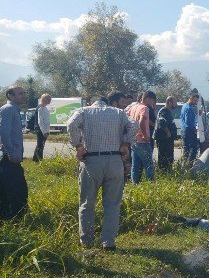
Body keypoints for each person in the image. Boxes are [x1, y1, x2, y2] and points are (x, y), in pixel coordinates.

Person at [66, 94, 135, 249]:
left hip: (91, 160)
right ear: (106, 102)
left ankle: (87, 241)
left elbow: (71, 124)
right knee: (112, 204)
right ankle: (108, 242)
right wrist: (125, 144)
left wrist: (78, 146)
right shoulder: (118, 112)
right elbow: (134, 125)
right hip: (115, 160)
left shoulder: (84, 111)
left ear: (92, 102)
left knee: (87, 203)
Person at [0, 86, 29, 220]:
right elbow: (4, 133)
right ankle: (16, 219)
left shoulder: (14, 110)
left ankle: (11, 218)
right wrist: (10, 152)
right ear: (10, 96)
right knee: (17, 191)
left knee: (10, 191)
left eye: (24, 93)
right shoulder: (9, 109)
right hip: (8, 158)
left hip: (11, 158)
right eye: (20, 93)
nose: (23, 95)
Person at [127, 90, 156, 183]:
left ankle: (135, 185)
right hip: (143, 141)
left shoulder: (134, 107)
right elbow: (142, 122)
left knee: (135, 166)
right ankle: (150, 185)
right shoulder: (144, 108)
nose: (153, 103)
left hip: (134, 140)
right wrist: (146, 136)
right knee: (149, 166)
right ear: (148, 99)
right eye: (152, 100)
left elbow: (127, 119)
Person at [155, 96, 178, 171]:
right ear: (170, 102)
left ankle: (167, 171)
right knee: (164, 156)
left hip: (168, 139)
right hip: (164, 139)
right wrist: (168, 132)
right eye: (175, 102)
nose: (176, 104)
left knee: (169, 156)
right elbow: (161, 122)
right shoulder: (163, 111)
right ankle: (163, 172)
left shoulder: (168, 111)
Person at [33, 93, 52, 162]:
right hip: (40, 130)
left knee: (40, 145)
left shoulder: (44, 107)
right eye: (48, 99)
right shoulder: (40, 108)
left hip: (44, 130)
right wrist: (44, 132)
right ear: (44, 99)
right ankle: (38, 160)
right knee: (40, 145)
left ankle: (36, 159)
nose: (50, 100)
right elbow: (40, 121)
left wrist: (47, 131)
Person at [181, 91, 199, 162]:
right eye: (195, 100)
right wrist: (195, 129)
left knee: (186, 149)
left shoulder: (184, 106)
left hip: (184, 129)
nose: (196, 102)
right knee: (193, 149)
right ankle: (189, 165)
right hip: (189, 130)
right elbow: (188, 122)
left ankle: (185, 164)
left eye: (197, 101)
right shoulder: (189, 109)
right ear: (191, 98)